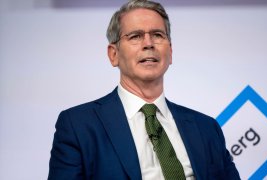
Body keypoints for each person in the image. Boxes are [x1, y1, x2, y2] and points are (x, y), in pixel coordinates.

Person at [48, 0, 240, 179]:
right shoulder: (78, 125)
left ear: (170, 52)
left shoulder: (207, 128)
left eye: (157, 35)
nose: (148, 44)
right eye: (135, 36)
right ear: (113, 54)